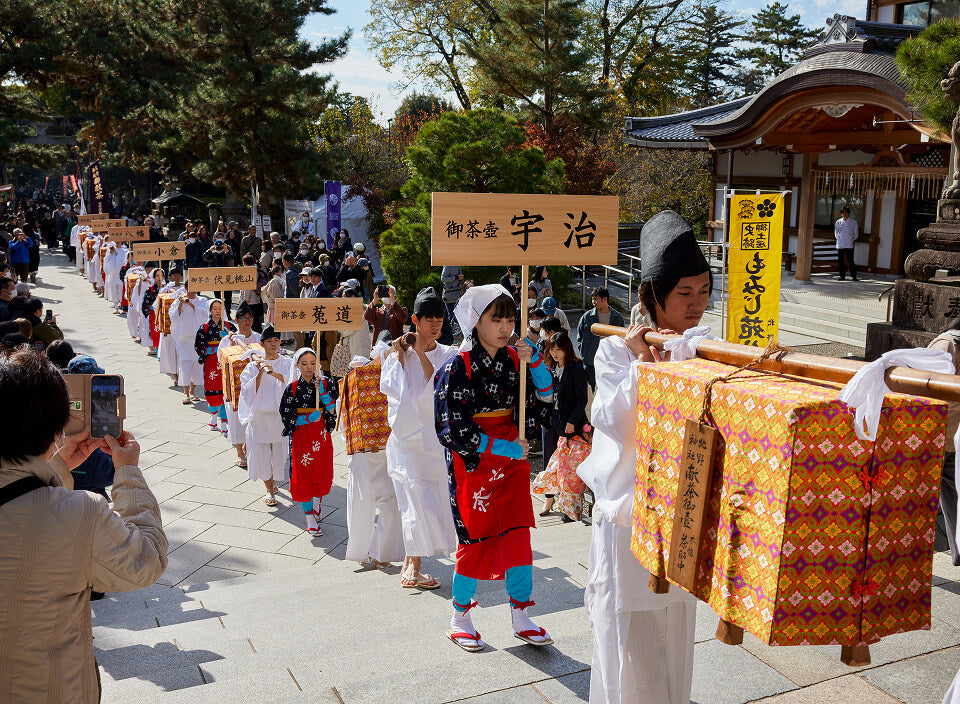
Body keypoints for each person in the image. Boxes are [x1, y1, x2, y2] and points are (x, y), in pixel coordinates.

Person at [577, 210, 709, 704]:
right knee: (628, 635)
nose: (696, 304)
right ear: (651, 294)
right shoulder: (617, 352)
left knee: (676, 633)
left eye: (702, 291)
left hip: (681, 514)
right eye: (684, 293)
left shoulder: (701, 346)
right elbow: (612, 421)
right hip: (629, 516)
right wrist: (644, 368)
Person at [0, 349, 167, 704]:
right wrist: (128, 472)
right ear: (55, 429)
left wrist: (59, 467)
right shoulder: (81, 514)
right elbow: (145, 561)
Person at [434, 284, 556, 652]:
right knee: (476, 536)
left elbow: (545, 398)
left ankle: (521, 614)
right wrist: (499, 446)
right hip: (475, 460)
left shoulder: (515, 359)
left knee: (519, 535)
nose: (505, 326)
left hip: (513, 458)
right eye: (496, 318)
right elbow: (451, 427)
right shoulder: (458, 365)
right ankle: (460, 617)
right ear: (476, 321)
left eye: (509, 318)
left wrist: (534, 361)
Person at [380, 287, 459, 589]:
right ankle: (413, 565)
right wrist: (400, 356)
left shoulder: (448, 353)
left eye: (439, 319)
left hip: (435, 444)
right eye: (429, 320)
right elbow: (391, 390)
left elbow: (439, 385)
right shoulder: (400, 351)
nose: (436, 325)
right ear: (415, 320)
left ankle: (412, 564)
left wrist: (422, 354)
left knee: (430, 504)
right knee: (412, 503)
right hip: (406, 444)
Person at [343, 334, 404, 568]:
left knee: (392, 502)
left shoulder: (400, 370)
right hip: (363, 450)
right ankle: (362, 551)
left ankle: (382, 551)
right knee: (362, 502)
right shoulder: (359, 370)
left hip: (389, 446)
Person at [279, 348, 338, 535]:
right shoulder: (293, 388)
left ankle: (317, 500)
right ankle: (309, 519)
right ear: (297, 365)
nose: (309, 367)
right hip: (301, 436)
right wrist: (303, 419)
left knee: (321, 471)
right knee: (303, 476)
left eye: (312, 363)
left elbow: (332, 410)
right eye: (304, 364)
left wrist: (324, 395)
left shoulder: (325, 384)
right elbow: (286, 415)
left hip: (320, 434)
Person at [533, 331, 590, 521]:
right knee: (549, 463)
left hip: (571, 426)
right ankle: (549, 499)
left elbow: (582, 399)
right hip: (551, 421)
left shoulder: (577, 369)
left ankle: (568, 508)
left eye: (559, 349)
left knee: (568, 469)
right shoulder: (549, 368)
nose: (555, 353)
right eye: (552, 349)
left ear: (567, 349)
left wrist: (572, 421)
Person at [238, 325, 295, 507]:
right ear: (262, 344)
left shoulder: (287, 363)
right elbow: (246, 392)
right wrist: (260, 373)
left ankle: (274, 481)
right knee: (262, 455)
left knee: (278, 455)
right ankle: (269, 489)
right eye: (269, 341)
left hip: (279, 418)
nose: (273, 344)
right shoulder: (252, 366)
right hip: (260, 418)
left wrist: (274, 372)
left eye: (276, 341)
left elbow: (293, 385)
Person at [929, 320, 960, 567]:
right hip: (946, 431)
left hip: (949, 432)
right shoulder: (949, 343)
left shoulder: (949, 343)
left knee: (952, 493)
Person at [218, 302, 261, 458]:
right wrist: (230, 344)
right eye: (244, 318)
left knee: (253, 418)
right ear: (237, 320)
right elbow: (220, 361)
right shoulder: (228, 339)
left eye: (250, 318)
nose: (247, 321)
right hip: (235, 385)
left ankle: (247, 446)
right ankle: (239, 452)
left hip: (255, 383)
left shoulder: (258, 338)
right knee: (236, 419)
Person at [195, 299, 237, 432]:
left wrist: (229, 339)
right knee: (212, 389)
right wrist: (211, 350)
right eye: (215, 308)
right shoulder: (204, 328)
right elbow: (198, 346)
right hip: (211, 363)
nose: (218, 311)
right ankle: (213, 417)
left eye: (220, 308)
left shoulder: (229, 327)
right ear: (210, 310)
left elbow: (238, 342)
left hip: (225, 362)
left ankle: (224, 422)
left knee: (226, 392)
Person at [577, 287, 625, 390]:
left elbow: (622, 339)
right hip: (590, 362)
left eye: (596, 299)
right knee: (590, 390)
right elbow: (579, 338)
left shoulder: (617, 318)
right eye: (593, 299)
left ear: (605, 299)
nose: (593, 302)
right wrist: (585, 354)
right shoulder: (587, 317)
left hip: (610, 362)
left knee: (608, 390)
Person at [170, 287, 209, 404]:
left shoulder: (202, 300)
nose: (192, 291)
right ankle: (185, 392)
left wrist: (191, 304)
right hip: (184, 339)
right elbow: (173, 316)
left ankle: (193, 391)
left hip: (198, 339)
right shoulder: (178, 300)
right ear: (186, 288)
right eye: (189, 288)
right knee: (185, 363)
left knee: (197, 365)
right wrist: (181, 302)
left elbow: (204, 314)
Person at [140, 268, 165, 356]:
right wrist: (151, 307)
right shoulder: (150, 289)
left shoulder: (167, 289)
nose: (159, 278)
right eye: (157, 275)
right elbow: (145, 304)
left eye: (161, 275)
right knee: (155, 331)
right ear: (154, 277)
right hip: (153, 315)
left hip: (164, 315)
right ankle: (156, 349)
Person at [239, 253, 265, 332]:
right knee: (255, 319)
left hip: (250, 300)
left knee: (252, 319)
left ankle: (257, 336)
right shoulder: (255, 270)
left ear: (245, 263)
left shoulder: (249, 271)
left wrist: (245, 299)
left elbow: (248, 287)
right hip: (255, 298)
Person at [835, 206, 859, 281]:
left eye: (846, 212)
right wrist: (839, 238)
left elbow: (856, 233)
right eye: (843, 213)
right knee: (841, 260)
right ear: (841, 214)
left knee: (850, 260)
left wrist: (851, 239)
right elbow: (836, 232)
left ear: (849, 213)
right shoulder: (838, 222)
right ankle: (842, 276)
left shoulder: (853, 222)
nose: (845, 214)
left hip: (849, 243)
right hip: (840, 243)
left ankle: (854, 276)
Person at [103, 241, 127, 314]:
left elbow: (124, 261)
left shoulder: (125, 250)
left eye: (118, 242)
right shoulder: (110, 250)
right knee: (113, 291)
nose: (117, 243)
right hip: (113, 274)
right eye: (116, 242)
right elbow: (106, 260)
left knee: (121, 291)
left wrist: (117, 253)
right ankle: (116, 307)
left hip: (120, 275)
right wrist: (110, 252)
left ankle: (122, 305)